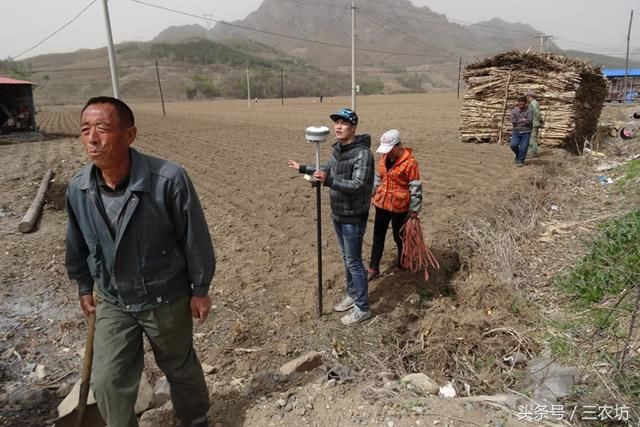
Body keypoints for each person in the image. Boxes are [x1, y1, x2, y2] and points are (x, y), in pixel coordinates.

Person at [65, 96, 215, 427]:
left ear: (130, 135)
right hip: (113, 298)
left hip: (165, 296)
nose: (92, 139)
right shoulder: (78, 188)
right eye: (85, 129)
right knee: (106, 379)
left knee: (179, 366)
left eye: (102, 129)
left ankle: (195, 418)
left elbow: (195, 237)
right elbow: (76, 243)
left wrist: (200, 287)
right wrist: (83, 284)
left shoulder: (168, 180)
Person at [287, 108, 374, 326]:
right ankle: (352, 294)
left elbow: (358, 184)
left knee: (354, 262)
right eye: (336, 122)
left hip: (353, 216)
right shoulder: (338, 149)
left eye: (344, 123)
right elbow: (326, 169)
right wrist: (304, 169)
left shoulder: (363, 154)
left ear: (353, 127)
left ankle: (362, 307)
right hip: (338, 213)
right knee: (347, 259)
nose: (338, 126)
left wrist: (327, 181)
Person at [367, 130, 422, 280]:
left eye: (390, 149)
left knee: (400, 237)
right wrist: (371, 193)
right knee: (378, 237)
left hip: (400, 207)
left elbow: (415, 187)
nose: (388, 153)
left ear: (398, 145)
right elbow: (378, 178)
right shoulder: (383, 158)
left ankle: (402, 263)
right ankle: (373, 268)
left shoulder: (410, 162)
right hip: (382, 204)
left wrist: (414, 209)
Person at [510, 95, 533, 167]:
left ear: (526, 103)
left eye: (523, 104)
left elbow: (529, 121)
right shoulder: (514, 111)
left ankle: (520, 160)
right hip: (516, 131)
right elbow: (513, 121)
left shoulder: (529, 110)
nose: (521, 106)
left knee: (524, 147)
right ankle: (518, 154)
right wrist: (522, 120)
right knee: (513, 145)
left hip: (526, 132)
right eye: (520, 104)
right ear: (518, 103)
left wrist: (519, 121)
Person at [526, 91, 544, 156]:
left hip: (534, 123)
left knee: (532, 137)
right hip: (533, 122)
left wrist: (540, 121)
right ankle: (533, 151)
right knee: (533, 137)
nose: (526, 98)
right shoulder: (533, 103)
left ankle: (533, 152)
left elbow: (537, 113)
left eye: (527, 96)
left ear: (529, 96)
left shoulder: (533, 103)